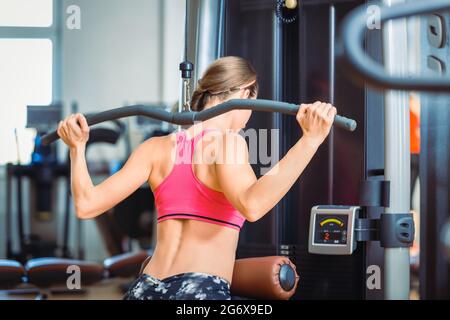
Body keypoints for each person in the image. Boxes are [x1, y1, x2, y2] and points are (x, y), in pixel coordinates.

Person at [57, 56, 337, 300]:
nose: (249, 116)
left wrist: (77, 148)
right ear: (244, 92)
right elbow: (253, 205)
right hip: (199, 289)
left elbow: (86, 205)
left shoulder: (155, 148)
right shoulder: (228, 143)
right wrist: (310, 141)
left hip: (144, 288)